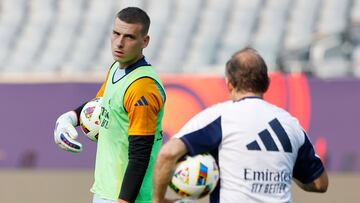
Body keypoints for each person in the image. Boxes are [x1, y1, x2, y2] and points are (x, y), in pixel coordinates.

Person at [153, 48, 328, 203]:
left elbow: (168, 154)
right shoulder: (291, 124)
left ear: (229, 84)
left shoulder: (220, 117)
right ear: (267, 83)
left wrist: (158, 200)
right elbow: (320, 183)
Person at [54, 7, 166, 203]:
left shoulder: (143, 88)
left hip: (128, 198)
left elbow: (140, 157)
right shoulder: (117, 68)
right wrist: (69, 118)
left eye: (129, 37)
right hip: (105, 191)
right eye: (116, 33)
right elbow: (101, 105)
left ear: (145, 41)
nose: (119, 43)